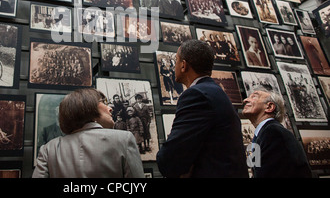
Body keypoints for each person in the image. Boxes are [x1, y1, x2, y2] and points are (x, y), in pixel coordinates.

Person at [156, 39, 248, 178]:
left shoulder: (196, 95)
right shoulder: (215, 92)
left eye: (176, 60)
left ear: (183, 65)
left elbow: (170, 158)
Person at [32, 88, 144, 178]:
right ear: (88, 108)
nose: (110, 108)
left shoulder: (49, 148)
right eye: (103, 102)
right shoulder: (124, 139)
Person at [242, 86, 312, 177]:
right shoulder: (265, 132)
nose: (245, 100)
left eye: (254, 96)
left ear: (269, 107)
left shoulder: (273, 132)